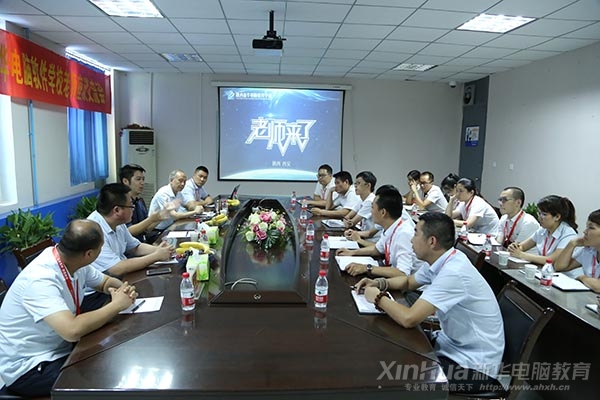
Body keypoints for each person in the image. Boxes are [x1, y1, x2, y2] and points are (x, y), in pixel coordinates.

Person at [355, 212, 504, 393]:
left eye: (416, 233)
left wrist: (378, 298)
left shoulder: (454, 272)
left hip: (473, 365)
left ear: (432, 241)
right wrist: (379, 283)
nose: (412, 240)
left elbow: (409, 318)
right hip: (450, 345)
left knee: (393, 374)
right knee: (389, 345)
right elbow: (408, 282)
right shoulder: (443, 258)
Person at [0, 220, 138, 397]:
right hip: (30, 366)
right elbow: (72, 330)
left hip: (59, 348)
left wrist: (123, 290)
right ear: (89, 254)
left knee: (112, 351)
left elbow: (104, 282)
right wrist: (117, 304)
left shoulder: (73, 261)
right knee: (105, 375)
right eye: (101, 247)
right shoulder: (40, 279)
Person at [85, 183, 172, 311]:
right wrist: (156, 256)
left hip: (118, 283)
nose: (133, 209)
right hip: (96, 294)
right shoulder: (94, 230)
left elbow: (135, 247)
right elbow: (117, 268)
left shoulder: (118, 222)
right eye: (131, 206)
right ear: (117, 210)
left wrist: (161, 250)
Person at [337, 185, 421, 278]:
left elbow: (402, 273)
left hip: (412, 284)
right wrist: (351, 252)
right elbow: (377, 249)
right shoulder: (390, 226)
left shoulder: (404, 233)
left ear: (383, 212)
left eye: (372, 207)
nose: (371, 211)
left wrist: (367, 268)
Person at [509, 195, 579, 273]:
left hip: (564, 276)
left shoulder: (568, 235)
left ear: (557, 217)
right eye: (539, 213)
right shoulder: (543, 229)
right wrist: (515, 247)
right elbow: (523, 246)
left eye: (544, 214)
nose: (539, 217)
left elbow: (551, 260)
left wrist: (521, 254)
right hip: (544, 272)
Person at [555, 210, 600, 292]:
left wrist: (582, 277)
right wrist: (572, 244)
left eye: (591, 228)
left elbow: (598, 287)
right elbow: (559, 267)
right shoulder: (589, 250)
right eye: (587, 227)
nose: (585, 231)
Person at [119, 163, 165, 243]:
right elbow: (128, 231)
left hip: (141, 243)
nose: (142, 182)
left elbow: (146, 229)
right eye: (138, 179)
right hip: (129, 247)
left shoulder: (140, 202)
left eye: (143, 179)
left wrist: (159, 218)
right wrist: (151, 219)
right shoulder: (121, 203)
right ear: (125, 181)